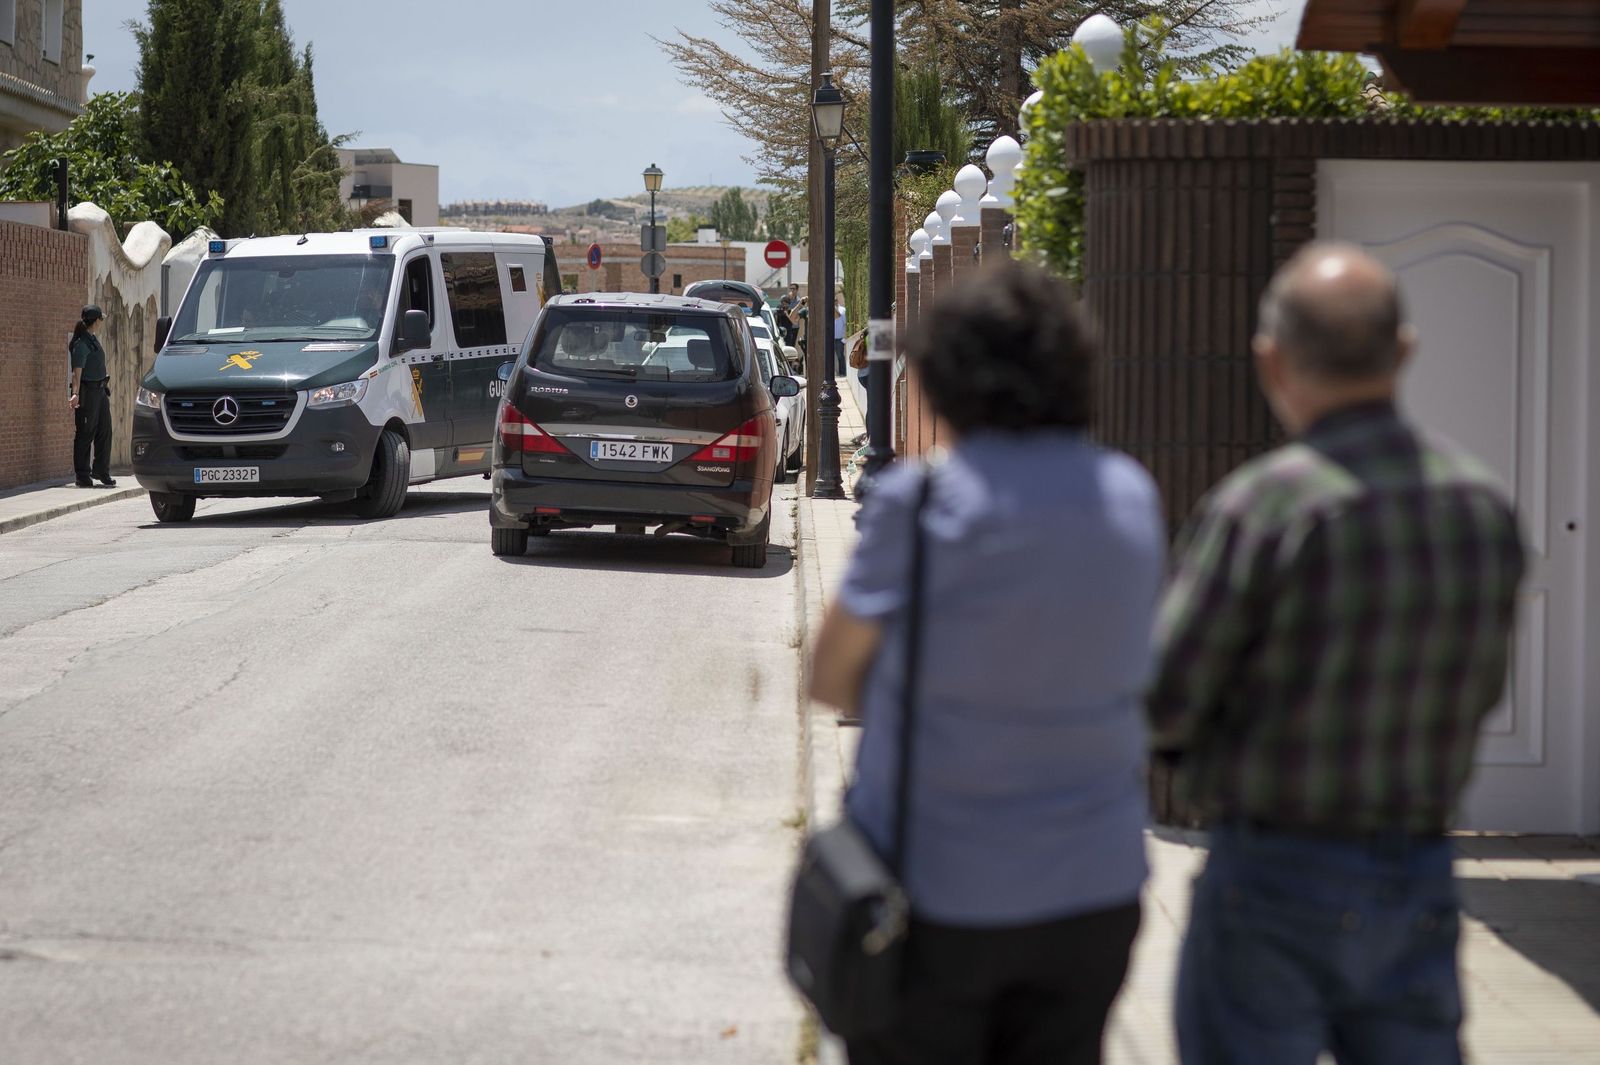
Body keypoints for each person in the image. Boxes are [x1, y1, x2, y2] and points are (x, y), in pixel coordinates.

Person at [1147, 242, 1525, 1065]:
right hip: (1416, 864)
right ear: (1403, 351)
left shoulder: (1265, 506)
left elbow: (1168, 693)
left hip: (1273, 867)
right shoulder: (1482, 508)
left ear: (1271, 359)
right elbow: (1481, 685)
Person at [810, 261, 1163, 1065]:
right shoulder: (1130, 495)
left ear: (946, 375)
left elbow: (831, 677)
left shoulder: (920, 503)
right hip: (1093, 895)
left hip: (937, 895)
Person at [68, 305, 114, 488]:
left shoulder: (92, 340)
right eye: (100, 319)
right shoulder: (82, 344)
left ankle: (101, 471)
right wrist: (75, 394)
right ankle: (82, 475)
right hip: (88, 393)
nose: (102, 322)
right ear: (95, 321)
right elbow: (76, 373)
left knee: (105, 431)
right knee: (85, 434)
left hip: (100, 392)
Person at [833, 293, 847, 377]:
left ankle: (842, 373)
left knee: (840, 356)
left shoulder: (842, 309)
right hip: (830, 338)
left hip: (839, 338)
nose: (834, 302)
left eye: (834, 300)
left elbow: (844, 322)